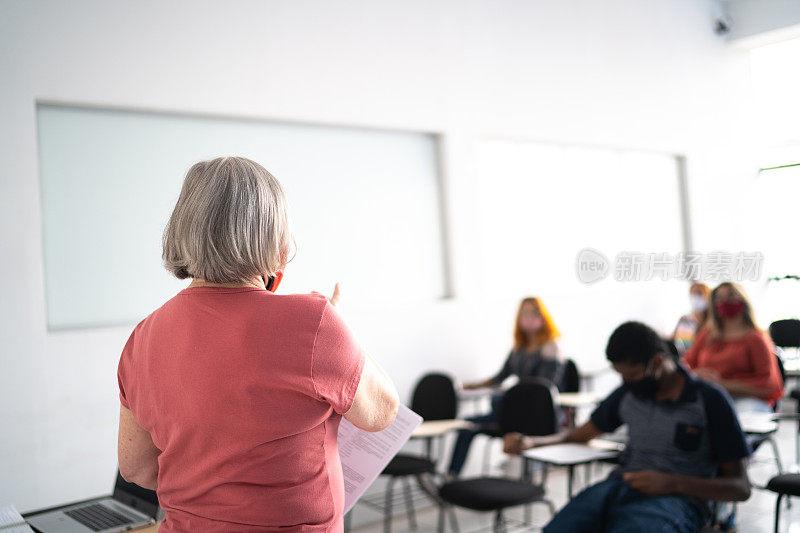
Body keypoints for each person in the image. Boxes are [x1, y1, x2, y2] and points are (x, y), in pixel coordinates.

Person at [116, 157, 399, 532]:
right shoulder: (314, 321)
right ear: (276, 241)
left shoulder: (143, 336)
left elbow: (137, 468)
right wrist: (339, 323)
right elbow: (381, 414)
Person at [504, 321, 751, 533]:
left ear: (656, 362)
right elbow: (581, 434)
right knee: (561, 527)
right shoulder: (628, 394)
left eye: (632, 375)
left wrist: (672, 483)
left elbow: (740, 488)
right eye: (621, 376)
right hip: (621, 486)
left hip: (679, 498)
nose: (626, 383)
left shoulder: (709, 401)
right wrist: (533, 442)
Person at [447, 297, 563, 477]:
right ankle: (451, 476)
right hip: (509, 412)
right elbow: (500, 377)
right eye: (524, 313)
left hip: (534, 414)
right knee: (467, 425)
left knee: (499, 401)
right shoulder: (518, 349)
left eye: (534, 313)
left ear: (543, 317)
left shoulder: (550, 348)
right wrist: (472, 385)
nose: (529, 318)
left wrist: (510, 395)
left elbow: (544, 389)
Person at [683, 281, 783, 414]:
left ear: (743, 300)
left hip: (748, 400)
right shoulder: (707, 335)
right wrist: (696, 374)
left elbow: (770, 385)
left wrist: (722, 384)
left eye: (731, 296)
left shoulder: (756, 338)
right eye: (719, 298)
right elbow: (685, 366)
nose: (725, 301)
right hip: (710, 397)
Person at [672, 282, 711, 355]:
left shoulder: (712, 322)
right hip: (682, 360)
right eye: (693, 294)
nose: (695, 297)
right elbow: (673, 339)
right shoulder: (684, 320)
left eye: (699, 293)